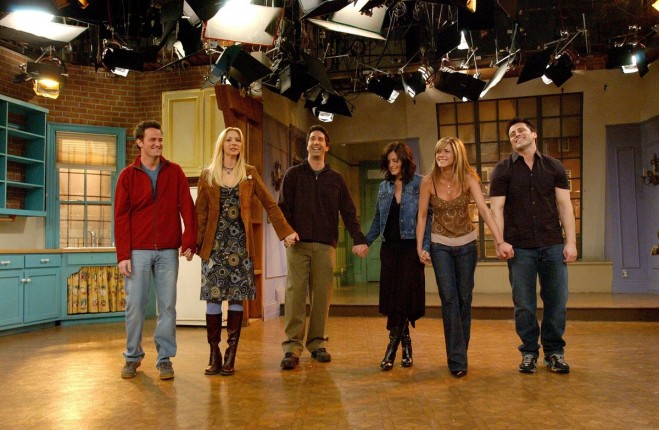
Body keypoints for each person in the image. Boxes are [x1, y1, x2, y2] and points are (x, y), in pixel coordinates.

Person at [195, 127, 298, 376]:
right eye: (229, 140)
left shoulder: (249, 173)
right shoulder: (208, 175)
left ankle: (230, 355)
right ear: (221, 144)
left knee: (236, 299)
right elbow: (200, 213)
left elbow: (270, 204)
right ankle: (214, 354)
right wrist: (193, 245)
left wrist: (285, 232)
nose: (234, 143)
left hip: (240, 247)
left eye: (238, 140)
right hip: (214, 248)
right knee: (213, 299)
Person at [416, 136, 513, 378]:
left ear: (457, 155)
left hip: (467, 246)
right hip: (440, 246)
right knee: (449, 300)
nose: (441, 155)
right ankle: (457, 360)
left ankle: (460, 352)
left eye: (446, 152)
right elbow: (422, 217)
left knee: (464, 299)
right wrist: (419, 247)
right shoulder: (428, 182)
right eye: (438, 151)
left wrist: (499, 240)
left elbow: (484, 211)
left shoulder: (469, 179)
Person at [489, 117, 577, 375]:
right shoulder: (502, 170)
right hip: (519, 248)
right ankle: (529, 352)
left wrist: (571, 242)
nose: (517, 135)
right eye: (512, 134)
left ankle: (554, 352)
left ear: (534, 134)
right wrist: (499, 241)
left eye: (521, 130)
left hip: (552, 244)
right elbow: (496, 209)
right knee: (524, 305)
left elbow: (565, 206)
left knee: (557, 302)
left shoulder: (554, 167)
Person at [278, 124, 368, 370]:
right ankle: (292, 347)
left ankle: (316, 343)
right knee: (295, 295)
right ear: (307, 145)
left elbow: (348, 212)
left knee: (321, 297)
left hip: (325, 246)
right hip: (298, 246)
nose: (316, 142)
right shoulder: (293, 174)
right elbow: (282, 208)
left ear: (327, 146)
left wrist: (359, 238)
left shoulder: (336, 179)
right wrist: (286, 232)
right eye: (312, 139)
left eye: (320, 139)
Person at [115, 120, 197, 380]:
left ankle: (164, 359)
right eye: (152, 140)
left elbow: (187, 207)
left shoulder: (175, 172)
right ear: (140, 142)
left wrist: (189, 239)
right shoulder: (127, 176)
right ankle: (132, 357)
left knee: (167, 307)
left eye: (160, 140)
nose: (158, 144)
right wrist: (123, 255)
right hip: (137, 251)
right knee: (135, 306)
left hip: (168, 250)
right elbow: (120, 217)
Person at [364, 142, 431, 371]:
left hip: (411, 248)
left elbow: (427, 217)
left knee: (405, 297)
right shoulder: (384, 187)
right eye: (389, 161)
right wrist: (365, 241)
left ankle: (391, 349)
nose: (392, 165)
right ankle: (406, 344)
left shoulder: (420, 183)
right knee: (395, 300)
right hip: (390, 250)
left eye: (396, 160)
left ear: (405, 160)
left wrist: (425, 247)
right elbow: (377, 219)